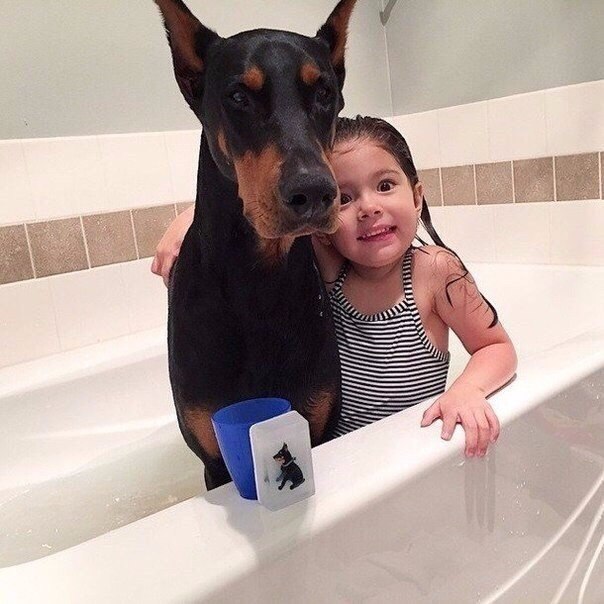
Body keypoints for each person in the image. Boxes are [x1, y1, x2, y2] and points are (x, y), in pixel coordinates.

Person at [152, 116, 517, 457]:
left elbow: (495, 347)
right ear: (321, 222)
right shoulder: (329, 267)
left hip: (412, 458)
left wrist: (468, 389)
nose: (368, 208)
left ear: (417, 197)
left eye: (385, 186)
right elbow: (251, 214)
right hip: (338, 465)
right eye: (344, 198)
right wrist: (189, 219)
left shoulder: (435, 272)